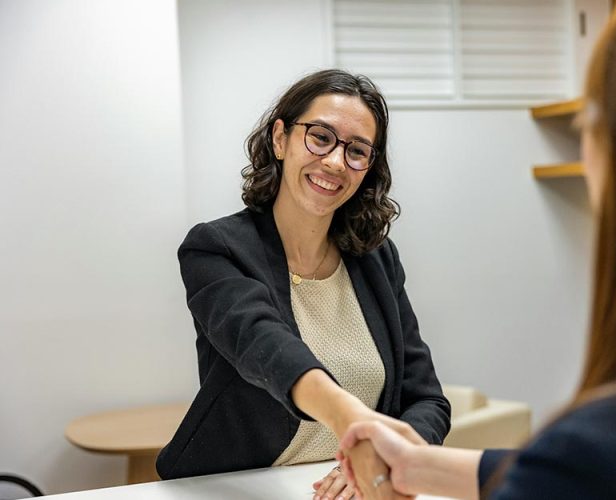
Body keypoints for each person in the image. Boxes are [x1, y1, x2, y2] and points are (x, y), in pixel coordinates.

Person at [338, 0, 616, 498]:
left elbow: (587, 468)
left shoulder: (613, 448)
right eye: (319, 137)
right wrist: (419, 465)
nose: (334, 162)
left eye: (590, 123)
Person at [155, 69, 451, 500]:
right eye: (320, 137)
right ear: (280, 139)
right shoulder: (216, 248)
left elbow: (428, 401)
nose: (334, 162)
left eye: (356, 151)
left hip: (351, 488)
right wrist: (353, 421)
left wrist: (387, 456)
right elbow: (265, 347)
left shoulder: (376, 259)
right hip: (235, 488)